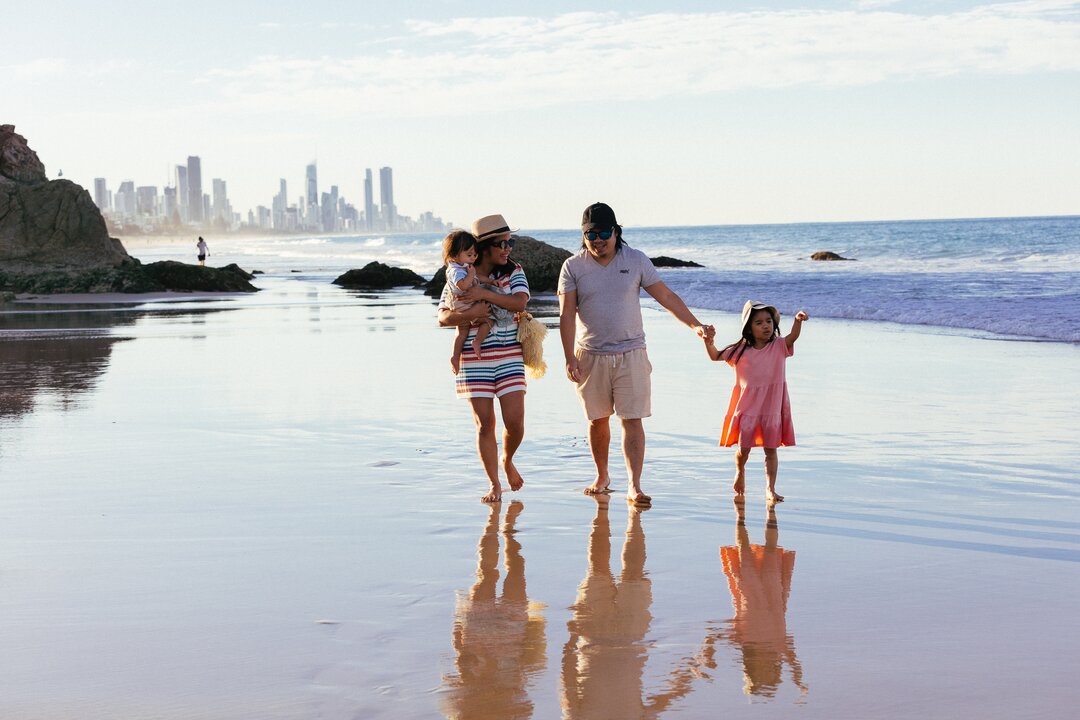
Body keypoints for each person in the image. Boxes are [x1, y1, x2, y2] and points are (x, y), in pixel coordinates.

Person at [559, 202, 713, 506]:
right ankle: (602, 475)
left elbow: (666, 296)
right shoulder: (573, 267)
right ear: (583, 235)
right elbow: (566, 314)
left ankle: (634, 485)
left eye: (604, 232)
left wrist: (695, 325)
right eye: (591, 234)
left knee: (632, 419)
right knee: (597, 420)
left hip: (632, 353)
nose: (598, 239)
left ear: (616, 231)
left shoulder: (637, 261)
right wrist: (569, 357)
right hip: (590, 354)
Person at [438, 214, 530, 503]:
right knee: (485, 423)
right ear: (486, 247)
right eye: (502, 243)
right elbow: (443, 315)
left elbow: (520, 302)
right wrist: (471, 313)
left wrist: (484, 295)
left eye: (510, 242)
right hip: (474, 358)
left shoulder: (514, 272)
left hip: (509, 355)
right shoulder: (463, 274)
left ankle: (508, 459)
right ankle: (494, 484)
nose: (508, 248)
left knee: (514, 422)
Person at [703, 300, 808, 503]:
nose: (766, 326)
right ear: (748, 327)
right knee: (743, 449)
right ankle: (740, 471)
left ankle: (770, 488)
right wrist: (708, 341)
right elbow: (715, 356)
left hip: (772, 407)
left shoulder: (779, 346)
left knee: (771, 449)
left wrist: (797, 320)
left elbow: (793, 336)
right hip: (748, 407)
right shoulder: (740, 350)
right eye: (759, 323)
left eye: (769, 321)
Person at [441, 230, 495, 374]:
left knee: (462, 331)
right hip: (463, 303)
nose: (473, 258)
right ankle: (477, 341)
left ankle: (455, 356)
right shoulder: (456, 270)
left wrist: (491, 281)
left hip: (458, 304)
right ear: (454, 255)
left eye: (475, 255)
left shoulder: (463, 267)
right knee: (489, 320)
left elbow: (479, 277)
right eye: (469, 255)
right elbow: (463, 286)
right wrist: (471, 275)